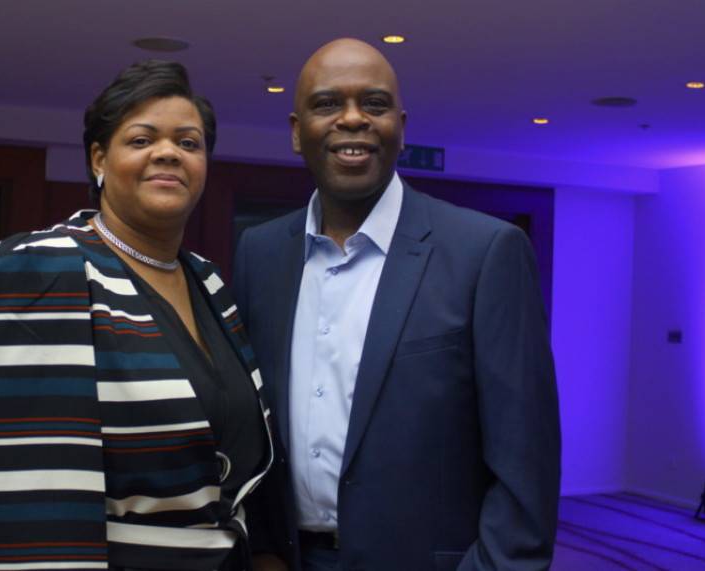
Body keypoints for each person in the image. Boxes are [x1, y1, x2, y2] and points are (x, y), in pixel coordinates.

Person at [234, 38, 560, 571]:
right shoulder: (260, 254)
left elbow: (527, 461)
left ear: (401, 128)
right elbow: (254, 426)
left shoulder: (484, 252)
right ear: (296, 132)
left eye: (375, 103)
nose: (352, 118)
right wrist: (265, 549)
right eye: (327, 103)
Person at [0, 60, 273, 571]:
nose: (168, 153)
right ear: (99, 159)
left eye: (189, 143)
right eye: (142, 139)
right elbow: (28, 492)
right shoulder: (42, 266)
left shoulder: (208, 281)